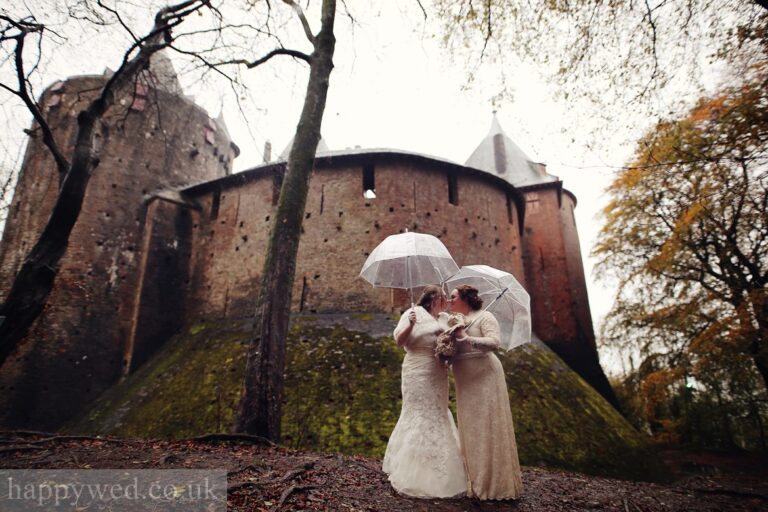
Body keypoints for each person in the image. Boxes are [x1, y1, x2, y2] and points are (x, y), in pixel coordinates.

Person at [382, 285, 467, 498]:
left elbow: (454, 341)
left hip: (438, 371)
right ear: (432, 299)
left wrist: (451, 340)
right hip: (416, 370)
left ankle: (444, 468)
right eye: (443, 297)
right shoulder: (413, 313)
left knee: (438, 413)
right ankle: (412, 470)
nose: (446, 301)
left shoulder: (446, 317)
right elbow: (400, 341)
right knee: (418, 413)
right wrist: (410, 325)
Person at [448, 284, 523, 500]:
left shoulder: (485, 316)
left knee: (487, 427)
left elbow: (494, 342)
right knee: (470, 429)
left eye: (453, 297)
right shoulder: (455, 320)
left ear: (465, 298)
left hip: (485, 377)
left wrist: (467, 339)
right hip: (465, 381)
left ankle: (493, 486)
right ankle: (474, 481)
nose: (450, 300)